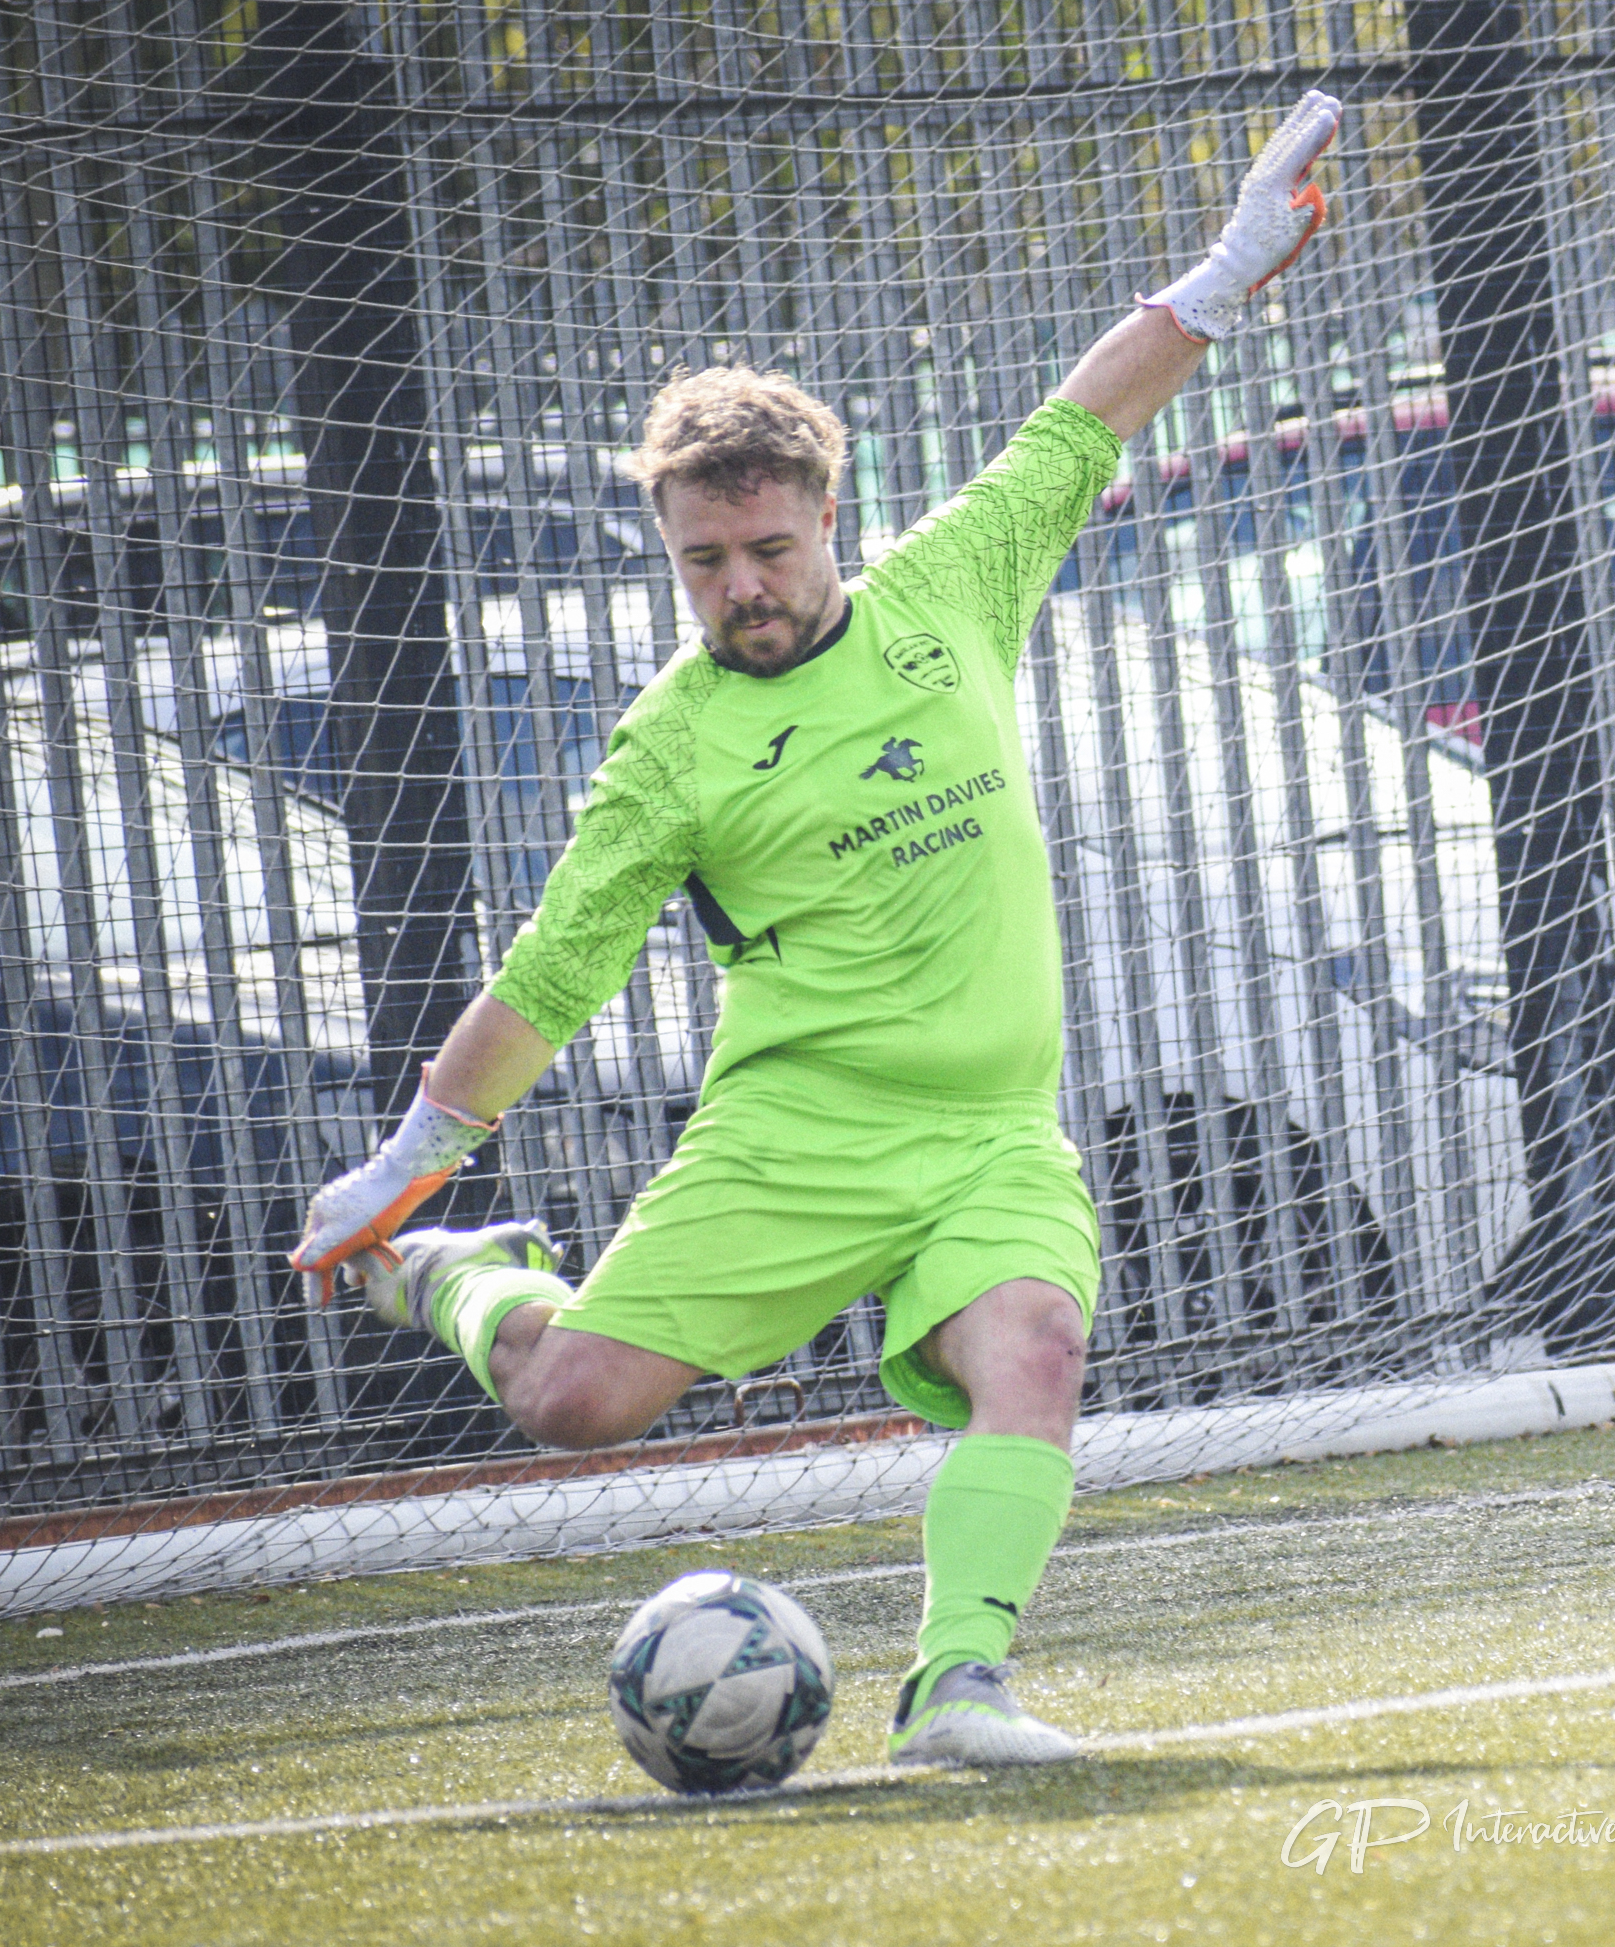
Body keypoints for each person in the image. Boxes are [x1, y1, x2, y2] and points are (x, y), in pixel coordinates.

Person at [290, 91, 1343, 1769]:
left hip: (990, 1131)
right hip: (798, 1134)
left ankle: (961, 1691)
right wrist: (417, 1159)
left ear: (826, 523)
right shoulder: (670, 747)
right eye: (705, 562)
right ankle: (465, 1283)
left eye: (768, 551)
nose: (741, 590)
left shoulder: (954, 587)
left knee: (1038, 1346)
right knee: (575, 1408)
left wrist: (1230, 267)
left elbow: (1081, 421)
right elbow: (557, 967)